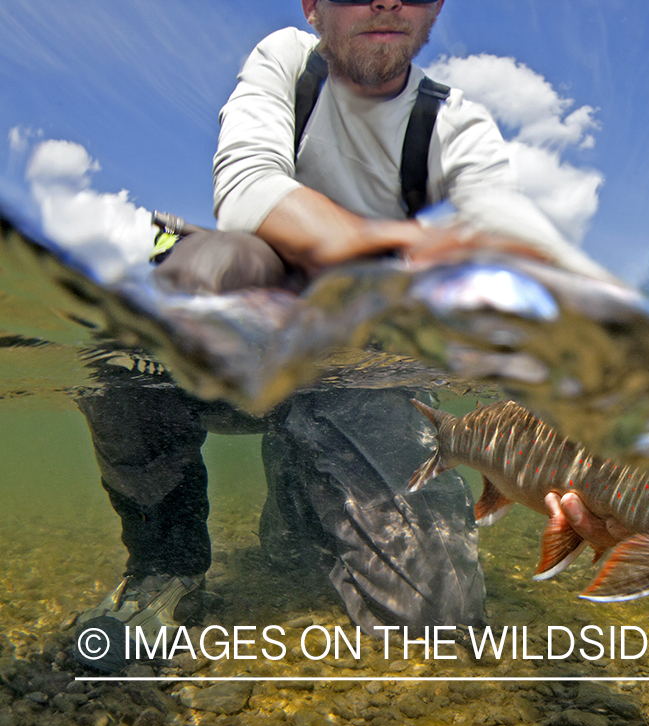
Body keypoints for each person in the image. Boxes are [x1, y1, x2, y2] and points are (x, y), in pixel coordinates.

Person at [75, 0, 619, 672]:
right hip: (242, 346)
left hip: (361, 377)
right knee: (137, 294)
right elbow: (246, 188)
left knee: (438, 617)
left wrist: (572, 456)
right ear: (311, 7)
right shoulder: (285, 58)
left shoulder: (460, 130)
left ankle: (303, 485)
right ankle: (163, 563)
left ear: (436, 10)